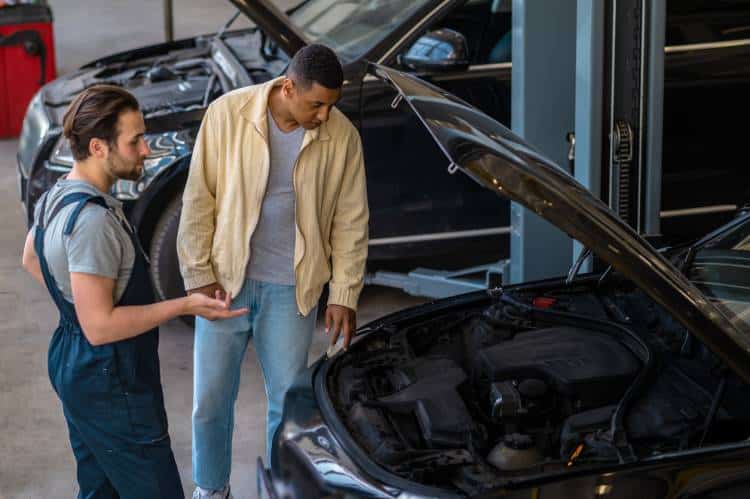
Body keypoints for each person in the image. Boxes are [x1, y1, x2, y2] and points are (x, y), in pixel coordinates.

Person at [21, 85, 247, 499]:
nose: (147, 150)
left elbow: (31, 258)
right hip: (111, 380)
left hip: (76, 366)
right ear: (98, 147)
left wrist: (79, 302)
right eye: (135, 140)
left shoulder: (57, 195)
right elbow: (101, 327)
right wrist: (184, 304)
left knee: (100, 486)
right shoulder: (93, 224)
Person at [178, 44, 369, 499]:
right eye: (316, 104)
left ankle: (279, 490)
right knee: (210, 401)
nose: (324, 115)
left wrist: (344, 293)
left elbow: (351, 219)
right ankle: (211, 489)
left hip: (293, 288)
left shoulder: (342, 137)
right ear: (288, 87)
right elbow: (198, 199)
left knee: (287, 405)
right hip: (227, 283)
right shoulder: (228, 115)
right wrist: (198, 273)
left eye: (331, 105)